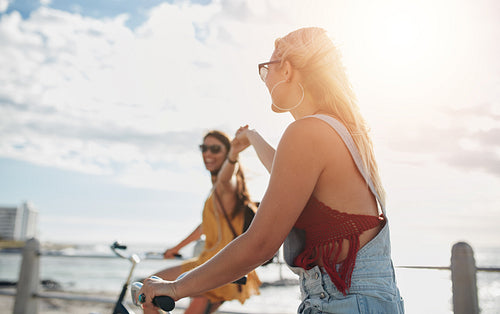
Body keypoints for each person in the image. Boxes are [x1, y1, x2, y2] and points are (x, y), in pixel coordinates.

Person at [139, 27, 404, 313]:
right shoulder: (341, 131)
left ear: (287, 70)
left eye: (266, 70)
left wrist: (176, 287)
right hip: (370, 301)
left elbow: (261, 243)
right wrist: (251, 137)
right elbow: (287, 175)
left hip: (341, 301)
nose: (265, 80)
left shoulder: (305, 132)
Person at [143, 130, 261, 314]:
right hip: (207, 262)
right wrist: (176, 248)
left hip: (217, 266)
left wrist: (233, 156)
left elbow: (225, 179)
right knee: (149, 288)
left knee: (149, 290)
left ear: (227, 152)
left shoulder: (227, 186)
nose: (207, 154)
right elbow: (205, 226)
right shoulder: (216, 190)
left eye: (215, 149)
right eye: (204, 148)